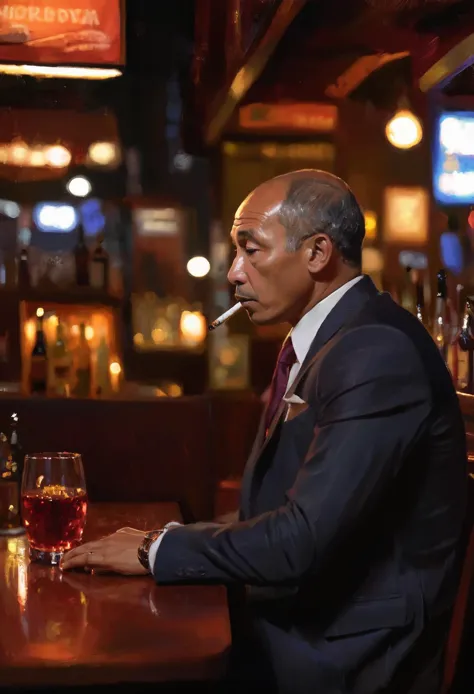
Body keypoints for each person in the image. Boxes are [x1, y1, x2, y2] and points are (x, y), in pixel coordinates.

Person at [62, 170, 468, 694]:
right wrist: (161, 541)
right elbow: (272, 512)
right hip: (305, 622)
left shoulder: (374, 351)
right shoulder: (329, 338)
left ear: (317, 253)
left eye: (251, 251)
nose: (234, 272)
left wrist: (155, 552)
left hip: (347, 654)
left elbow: (300, 539)